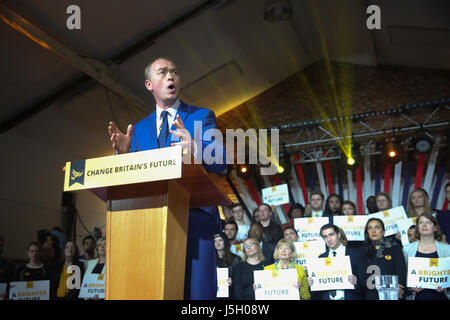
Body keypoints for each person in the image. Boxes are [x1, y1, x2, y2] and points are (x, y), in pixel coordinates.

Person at [108, 57, 226, 300]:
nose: (170, 76)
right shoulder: (139, 130)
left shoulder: (202, 116)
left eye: (174, 71)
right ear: (149, 84)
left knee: (197, 295)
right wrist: (123, 155)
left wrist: (196, 147)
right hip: (149, 224)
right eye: (162, 73)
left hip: (195, 221)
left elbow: (220, 162)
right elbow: (135, 178)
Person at [403, 213, 450, 300]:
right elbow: (403, 275)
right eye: (421, 223)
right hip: (416, 297)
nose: (424, 225)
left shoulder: (447, 250)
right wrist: (410, 287)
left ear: (435, 228)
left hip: (441, 297)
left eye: (428, 222)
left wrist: (447, 287)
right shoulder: (406, 249)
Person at [308, 224, 360, 300]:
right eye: (325, 237)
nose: (329, 239)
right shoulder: (321, 258)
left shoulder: (355, 254)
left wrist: (356, 282)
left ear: (339, 235)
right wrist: (313, 283)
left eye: (331, 235)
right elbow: (318, 291)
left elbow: (364, 281)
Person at [358, 218, 407, 300]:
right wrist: (387, 285)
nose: (373, 230)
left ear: (383, 231)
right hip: (372, 295)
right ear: (367, 232)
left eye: (377, 227)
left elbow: (401, 274)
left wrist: (399, 288)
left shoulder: (395, 250)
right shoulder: (362, 252)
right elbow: (363, 280)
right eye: (370, 228)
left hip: (392, 295)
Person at [213, 232, 241, 299]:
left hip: (230, 296)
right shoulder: (209, 260)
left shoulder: (236, 259)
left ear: (225, 241)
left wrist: (232, 282)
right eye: (215, 241)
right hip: (214, 295)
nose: (218, 243)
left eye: (220, 240)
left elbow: (241, 280)